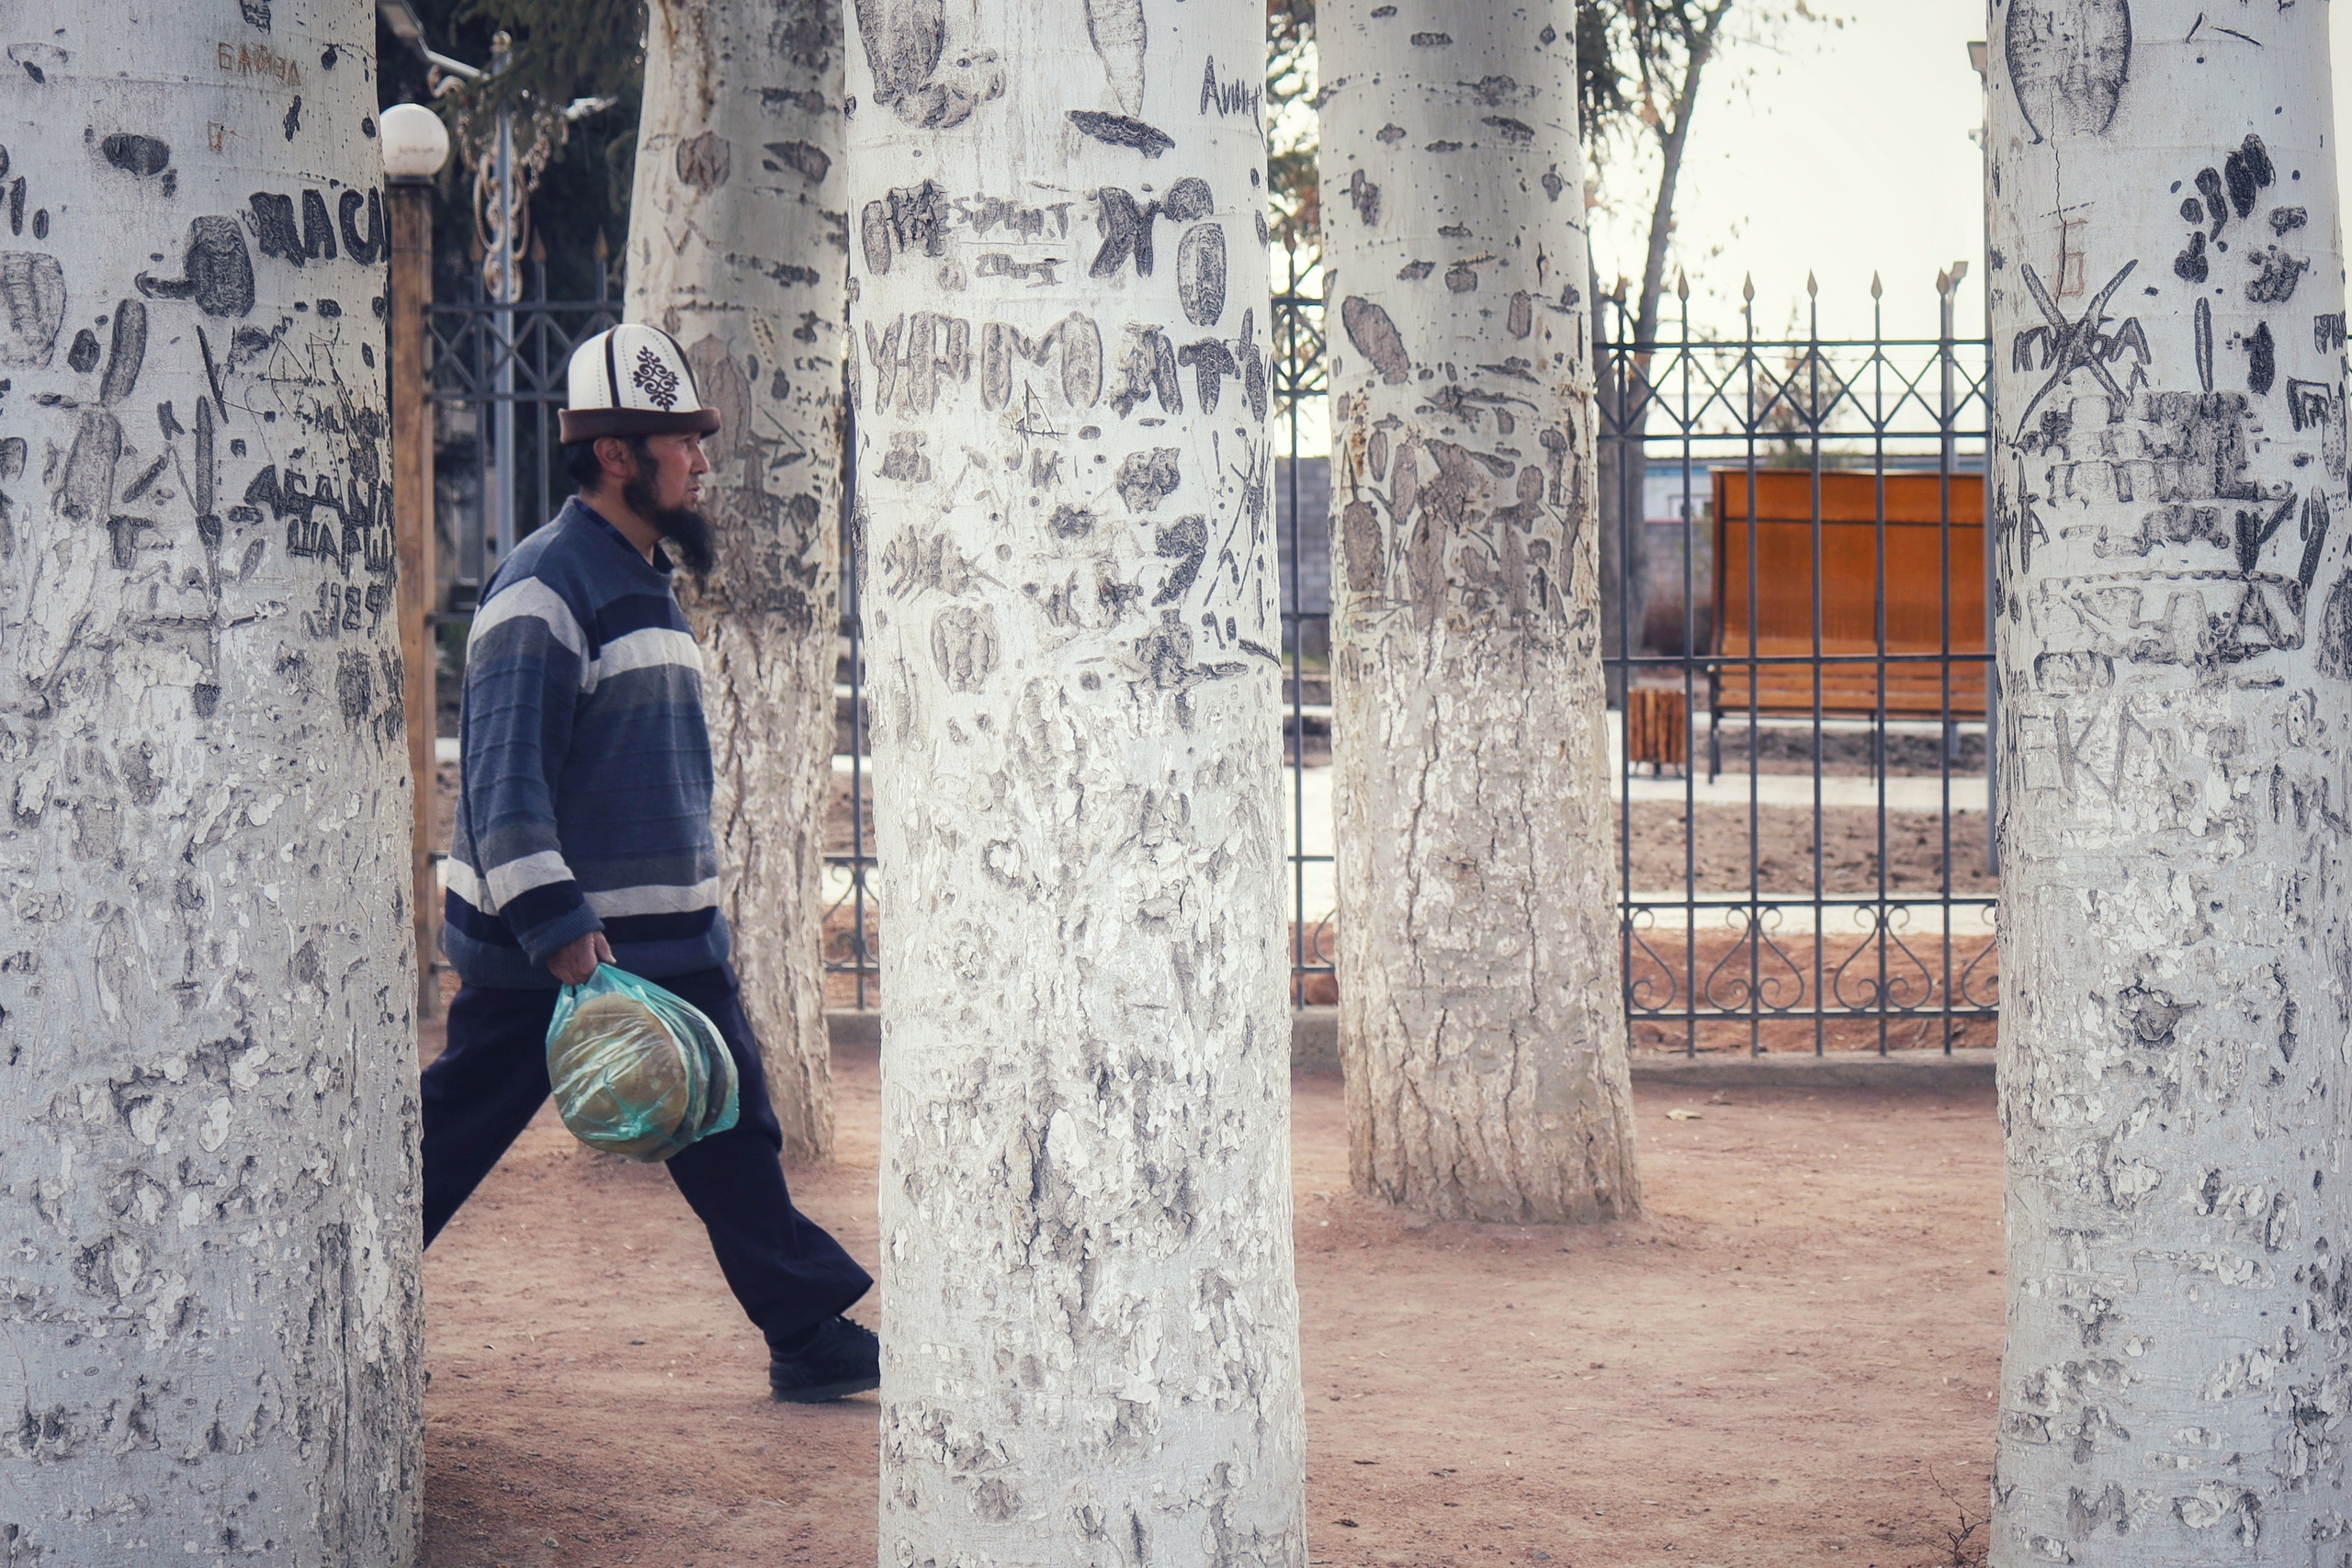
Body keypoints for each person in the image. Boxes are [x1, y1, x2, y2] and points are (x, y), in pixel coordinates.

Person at [424, 324, 877, 1403]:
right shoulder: (544, 587)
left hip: (667, 945)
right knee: (444, 1144)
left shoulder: (640, 577)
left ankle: (806, 1331)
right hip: (561, 953)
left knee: (732, 1127)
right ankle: (328, 1281)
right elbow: (500, 781)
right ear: (618, 455)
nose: (703, 463)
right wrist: (562, 937)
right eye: (683, 442)